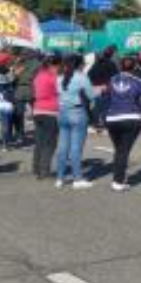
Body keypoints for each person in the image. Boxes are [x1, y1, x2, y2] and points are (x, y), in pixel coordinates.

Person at [103, 56, 141, 192]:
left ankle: (119, 177)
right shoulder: (138, 81)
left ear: (120, 66)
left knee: (119, 150)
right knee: (123, 151)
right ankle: (118, 181)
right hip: (130, 117)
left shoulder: (112, 80)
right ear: (135, 67)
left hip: (112, 118)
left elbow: (106, 95)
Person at [56, 54, 97, 189]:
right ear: (79, 64)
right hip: (77, 112)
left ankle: (60, 178)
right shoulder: (81, 77)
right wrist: (100, 90)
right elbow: (91, 95)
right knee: (76, 148)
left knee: (62, 147)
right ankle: (77, 178)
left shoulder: (59, 77)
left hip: (62, 112)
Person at [31, 55, 60, 181]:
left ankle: (36, 168)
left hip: (37, 110)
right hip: (50, 111)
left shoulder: (38, 76)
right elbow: (61, 91)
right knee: (50, 143)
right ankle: (44, 170)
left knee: (39, 141)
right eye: (59, 66)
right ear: (53, 65)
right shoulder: (53, 77)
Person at [87, 46, 118, 133]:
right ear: (111, 54)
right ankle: (105, 126)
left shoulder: (96, 63)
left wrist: (94, 84)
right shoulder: (111, 64)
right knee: (106, 107)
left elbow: (89, 74)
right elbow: (115, 77)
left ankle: (94, 125)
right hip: (106, 87)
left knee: (97, 107)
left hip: (96, 87)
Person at [11, 55, 37, 146]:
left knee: (19, 114)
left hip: (21, 90)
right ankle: (22, 135)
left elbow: (11, 80)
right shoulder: (35, 65)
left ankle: (20, 135)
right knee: (32, 113)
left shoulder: (17, 66)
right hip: (29, 90)